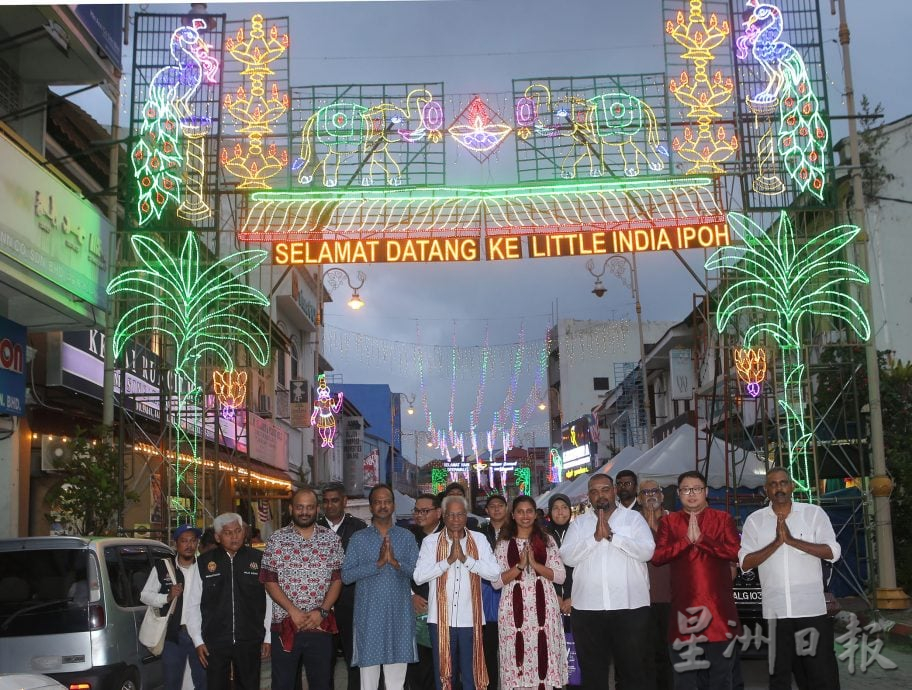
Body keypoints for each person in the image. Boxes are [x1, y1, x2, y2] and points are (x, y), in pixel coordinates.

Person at [739, 467, 841, 690]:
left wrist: (793, 541)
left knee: (820, 673)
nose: (779, 488)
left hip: (811, 610)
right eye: (773, 484)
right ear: (766, 489)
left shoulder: (813, 514)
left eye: (783, 483)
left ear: (792, 486)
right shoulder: (755, 521)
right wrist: (776, 543)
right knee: (779, 675)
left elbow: (833, 552)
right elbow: (745, 563)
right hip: (776, 612)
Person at [558, 474, 654, 690]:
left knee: (632, 671)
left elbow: (647, 551)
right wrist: (594, 539)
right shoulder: (579, 525)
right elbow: (567, 557)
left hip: (630, 608)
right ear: (589, 496)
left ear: (613, 491)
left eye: (604, 489)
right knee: (592, 673)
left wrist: (613, 537)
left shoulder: (634, 520)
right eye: (593, 491)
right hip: (588, 609)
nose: (599, 495)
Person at [652, 471, 742, 690]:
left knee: (721, 679)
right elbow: (657, 557)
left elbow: (735, 552)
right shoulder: (669, 522)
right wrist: (685, 542)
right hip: (684, 613)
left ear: (706, 492)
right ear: (679, 493)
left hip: (719, 615)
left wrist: (703, 540)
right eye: (685, 489)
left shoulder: (723, 519)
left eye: (697, 489)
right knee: (684, 680)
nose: (691, 494)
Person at [260, 488, 345, 690]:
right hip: (286, 625)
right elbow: (269, 580)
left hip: (320, 624)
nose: (304, 512)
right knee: (283, 684)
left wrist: (322, 611)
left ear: (317, 510)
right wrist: (293, 611)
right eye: (300, 507)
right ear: (291, 509)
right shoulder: (276, 539)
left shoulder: (331, 539)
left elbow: (337, 579)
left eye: (309, 507)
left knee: (322, 683)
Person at [414, 494, 500, 690]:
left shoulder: (478, 539)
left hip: (471, 620)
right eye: (451, 515)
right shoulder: (431, 542)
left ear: (466, 516)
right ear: (443, 516)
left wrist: (466, 559)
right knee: (445, 676)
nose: (455, 519)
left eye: (459, 514)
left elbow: (494, 574)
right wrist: (448, 561)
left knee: (471, 677)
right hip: (440, 621)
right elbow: (419, 576)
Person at [343, 484, 420, 690]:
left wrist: (396, 563)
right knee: (368, 683)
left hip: (399, 617)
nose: (383, 506)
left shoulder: (407, 537)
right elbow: (346, 576)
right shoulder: (359, 539)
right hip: (369, 618)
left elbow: (417, 574)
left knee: (396, 684)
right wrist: (376, 564)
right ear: (371, 507)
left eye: (387, 501)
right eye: (378, 502)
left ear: (393, 505)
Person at [185, 513, 271, 690]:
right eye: (228, 533)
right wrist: (197, 640)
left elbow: (269, 600)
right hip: (215, 641)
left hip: (249, 638)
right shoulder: (203, 563)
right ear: (217, 537)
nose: (234, 536)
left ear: (244, 532)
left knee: (249, 685)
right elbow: (192, 604)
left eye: (238, 531)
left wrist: (268, 636)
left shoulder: (259, 559)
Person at [493, 495, 568, 690]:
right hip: (513, 612)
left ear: (535, 515)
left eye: (529, 511)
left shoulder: (547, 540)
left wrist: (534, 564)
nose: (525, 516)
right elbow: (496, 582)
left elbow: (561, 577)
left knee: (542, 657)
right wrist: (519, 566)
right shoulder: (503, 543)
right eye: (520, 511)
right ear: (513, 515)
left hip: (544, 612)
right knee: (518, 661)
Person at [140, 524, 206, 690]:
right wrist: (167, 597)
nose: (189, 545)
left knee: (203, 682)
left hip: (200, 635)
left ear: (197, 543)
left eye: (193, 541)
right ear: (176, 543)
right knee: (172, 683)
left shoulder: (204, 568)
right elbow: (145, 595)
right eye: (184, 541)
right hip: (173, 635)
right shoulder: (163, 567)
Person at [318, 482, 368, 690]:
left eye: (335, 500)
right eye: (326, 501)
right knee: (322, 661)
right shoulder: (314, 527)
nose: (330, 505)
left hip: (351, 603)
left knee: (353, 659)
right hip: (320, 606)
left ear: (345, 501)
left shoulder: (359, 528)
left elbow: (365, 565)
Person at [407, 494, 443, 690]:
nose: (419, 515)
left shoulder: (450, 536)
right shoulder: (408, 536)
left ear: (438, 513)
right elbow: (398, 571)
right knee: (419, 666)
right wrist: (411, 595)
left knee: (443, 667)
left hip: (444, 610)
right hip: (417, 608)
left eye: (424, 511)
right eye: (417, 510)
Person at [639, 479, 673, 690]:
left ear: (662, 495)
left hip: (671, 598)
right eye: (645, 492)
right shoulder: (632, 522)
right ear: (639, 498)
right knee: (644, 657)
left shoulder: (675, 520)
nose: (650, 495)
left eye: (654, 491)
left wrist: (656, 529)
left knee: (669, 656)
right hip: (640, 600)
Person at [479, 493, 509, 690]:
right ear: (487, 510)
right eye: (492, 506)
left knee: (510, 650)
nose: (497, 508)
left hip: (509, 593)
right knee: (488, 648)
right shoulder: (479, 534)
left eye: (500, 505)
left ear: (506, 508)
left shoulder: (515, 532)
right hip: (486, 595)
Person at [546, 493, 573, 614]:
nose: (560, 511)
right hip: (550, 595)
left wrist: (570, 595)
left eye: (564, 507)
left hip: (576, 595)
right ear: (550, 511)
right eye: (555, 508)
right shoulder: (543, 534)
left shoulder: (577, 531)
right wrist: (556, 594)